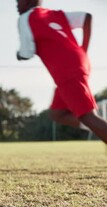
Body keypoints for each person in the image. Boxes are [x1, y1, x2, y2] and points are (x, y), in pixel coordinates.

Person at [16, 0, 107, 149]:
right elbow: (87, 18)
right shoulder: (55, 14)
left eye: (17, 0)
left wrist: (19, 54)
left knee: (88, 116)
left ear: (27, 1)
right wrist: (83, 50)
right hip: (79, 62)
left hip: (66, 70)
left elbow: (27, 53)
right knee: (57, 114)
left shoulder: (25, 18)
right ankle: (100, 125)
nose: (16, 4)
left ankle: (99, 125)